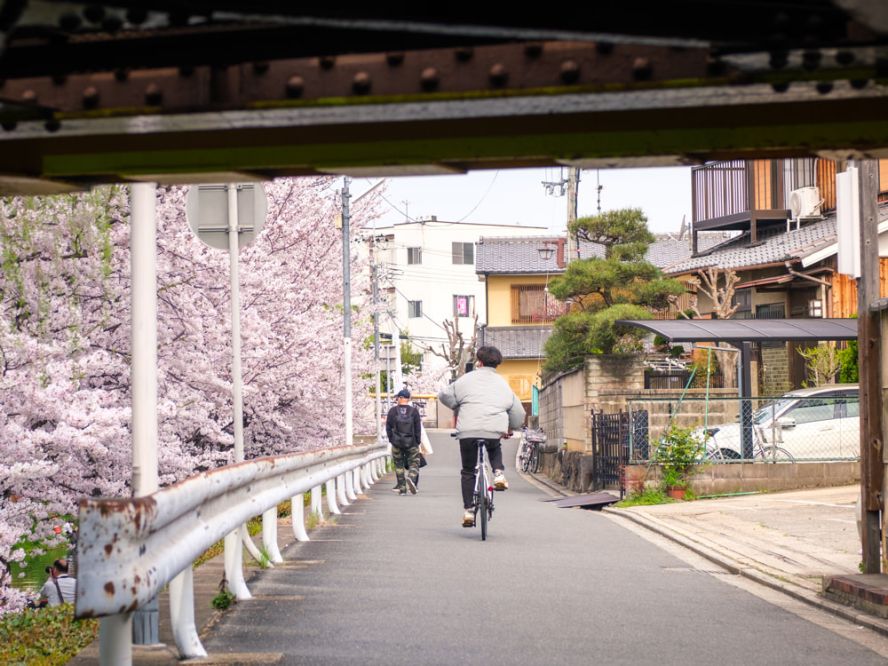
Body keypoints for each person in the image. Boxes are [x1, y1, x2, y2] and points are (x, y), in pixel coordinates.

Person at [438, 346, 526, 527]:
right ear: (497, 364)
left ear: (479, 361)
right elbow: (518, 413)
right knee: (494, 447)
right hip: (494, 430)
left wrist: (457, 404)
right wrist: (511, 427)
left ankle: (469, 511)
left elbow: (444, 395)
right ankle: (499, 474)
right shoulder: (503, 384)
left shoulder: (465, 380)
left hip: (468, 432)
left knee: (468, 470)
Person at [385, 388, 422, 495]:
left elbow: (388, 428)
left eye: (398, 397)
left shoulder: (392, 411)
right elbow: (417, 428)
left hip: (396, 443)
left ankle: (402, 489)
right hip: (411, 442)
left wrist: (392, 439)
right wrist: (417, 442)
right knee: (414, 463)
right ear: (408, 399)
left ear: (401, 398)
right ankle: (411, 477)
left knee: (399, 465)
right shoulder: (414, 411)